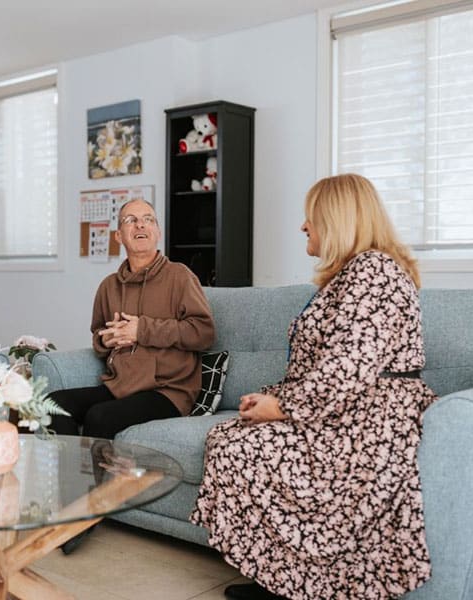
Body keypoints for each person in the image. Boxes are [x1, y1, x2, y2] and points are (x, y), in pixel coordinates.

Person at [191, 174, 438, 600]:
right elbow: (327, 367)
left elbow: (349, 366)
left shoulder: (374, 271)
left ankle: (296, 585)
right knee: (231, 435)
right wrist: (271, 396)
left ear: (337, 219)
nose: (304, 226)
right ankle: (287, 581)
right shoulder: (351, 275)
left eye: (311, 217)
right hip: (341, 406)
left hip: (367, 419)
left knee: (238, 444)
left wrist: (282, 408)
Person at [50, 198, 215, 553]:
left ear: (157, 231)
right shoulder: (109, 285)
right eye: (130, 220)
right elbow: (97, 335)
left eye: (147, 219)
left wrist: (144, 331)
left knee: (99, 416)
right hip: (121, 385)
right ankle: (72, 497)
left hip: (168, 391)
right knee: (51, 404)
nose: (140, 226)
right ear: (119, 235)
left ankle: (83, 514)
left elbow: (203, 333)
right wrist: (105, 339)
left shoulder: (180, 277)